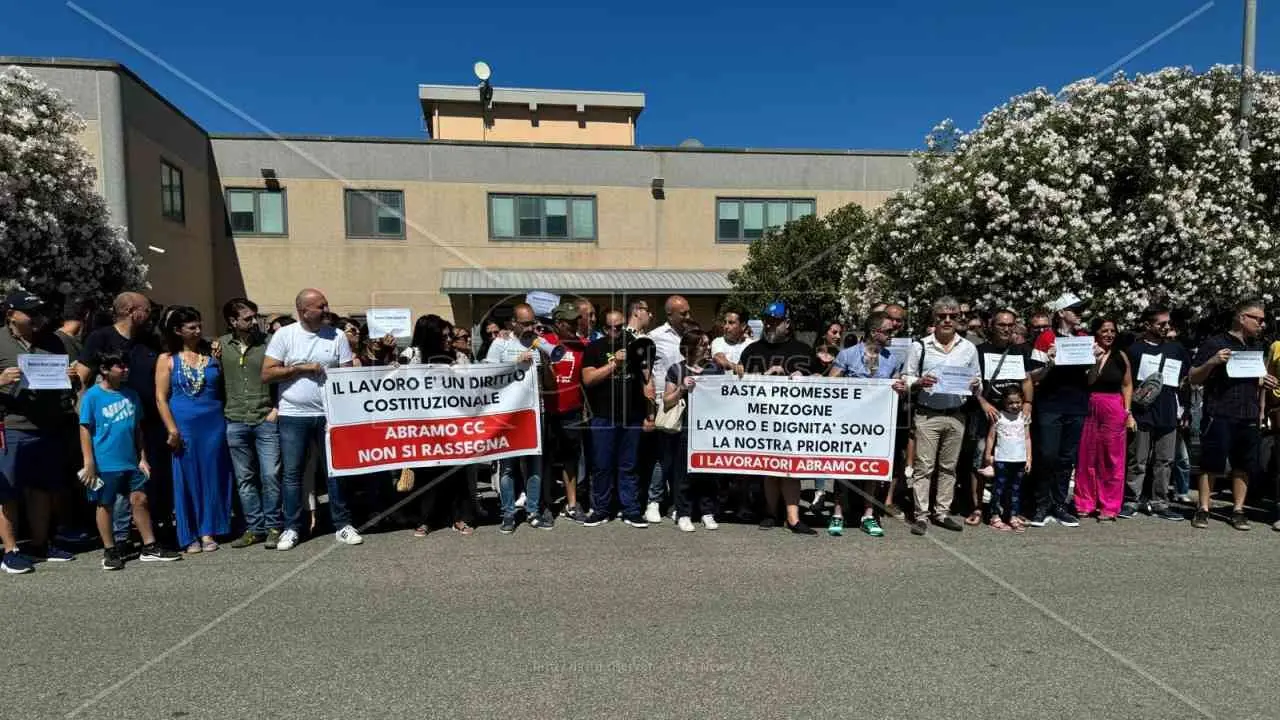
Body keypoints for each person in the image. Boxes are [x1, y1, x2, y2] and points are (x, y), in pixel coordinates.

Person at [262, 289, 362, 550]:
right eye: (320, 306)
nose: (326, 309)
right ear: (303, 311)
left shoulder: (337, 335)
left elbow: (347, 374)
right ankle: (292, 527)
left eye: (326, 304)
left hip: (330, 414)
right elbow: (267, 373)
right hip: (294, 414)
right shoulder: (285, 335)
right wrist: (300, 368)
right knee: (292, 473)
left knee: (335, 470)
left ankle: (342, 524)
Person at [76, 292, 169, 547]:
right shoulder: (101, 337)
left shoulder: (149, 340)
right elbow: (82, 378)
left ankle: (149, 533)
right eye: (147, 310)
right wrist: (89, 417)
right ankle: (119, 539)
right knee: (115, 486)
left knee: (143, 481)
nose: (150, 316)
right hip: (112, 425)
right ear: (130, 310)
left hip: (146, 420)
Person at [78, 350, 182, 569]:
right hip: (105, 461)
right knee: (105, 504)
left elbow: (137, 431)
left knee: (140, 499)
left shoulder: (131, 395)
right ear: (105, 370)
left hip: (130, 460)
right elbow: (85, 429)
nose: (125, 369)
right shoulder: (92, 396)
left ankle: (149, 545)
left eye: (126, 365)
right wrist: (89, 462)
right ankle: (109, 549)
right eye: (119, 366)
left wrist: (142, 457)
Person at [0, 291, 79, 573]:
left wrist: (71, 377)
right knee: (7, 490)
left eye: (39, 312)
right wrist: (0, 379)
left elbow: (71, 381)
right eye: (29, 313)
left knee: (42, 489)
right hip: (11, 426)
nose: (37, 318)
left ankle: (40, 543)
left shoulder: (53, 341)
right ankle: (10, 550)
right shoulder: (0, 341)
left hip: (48, 425)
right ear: (11, 314)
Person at [1188, 299, 1276, 530]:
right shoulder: (1215, 343)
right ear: (1242, 318)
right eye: (1257, 319)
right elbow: (1193, 377)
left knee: (1244, 464)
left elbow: (1253, 378)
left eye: (1263, 320)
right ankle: (1203, 508)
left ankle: (1238, 510)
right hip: (1219, 412)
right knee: (1211, 463)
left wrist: (1264, 381)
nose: (1262, 324)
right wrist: (1212, 362)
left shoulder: (1255, 347)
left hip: (1248, 413)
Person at [737, 301, 819, 535]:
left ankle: (793, 518)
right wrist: (764, 376)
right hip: (763, 420)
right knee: (770, 468)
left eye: (775, 321)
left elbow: (818, 380)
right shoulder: (752, 350)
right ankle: (771, 512)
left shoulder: (803, 350)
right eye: (767, 321)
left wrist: (802, 378)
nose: (770, 325)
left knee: (791, 469)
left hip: (795, 421)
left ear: (787, 323)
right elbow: (741, 384)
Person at [902, 297, 981, 535]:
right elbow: (905, 377)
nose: (947, 320)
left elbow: (978, 380)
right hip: (928, 414)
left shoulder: (968, 348)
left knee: (949, 467)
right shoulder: (920, 346)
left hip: (956, 415)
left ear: (959, 319)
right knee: (924, 467)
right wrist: (918, 382)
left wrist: (977, 384)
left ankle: (942, 512)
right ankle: (921, 515)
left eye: (953, 316)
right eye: (942, 316)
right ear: (934, 319)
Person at [155, 307, 232, 553]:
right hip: (183, 422)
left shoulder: (211, 355)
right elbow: (160, 397)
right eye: (192, 327)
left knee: (212, 474)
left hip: (213, 421)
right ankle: (189, 533)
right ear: (178, 331)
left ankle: (209, 530)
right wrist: (171, 429)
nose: (198, 331)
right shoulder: (167, 359)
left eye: (199, 326)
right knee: (186, 475)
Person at [828, 311, 905, 537]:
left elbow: (899, 387)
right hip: (849, 422)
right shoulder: (848, 355)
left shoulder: (893, 357)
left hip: (878, 424)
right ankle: (838, 512)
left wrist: (901, 389)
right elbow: (830, 384)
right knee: (843, 467)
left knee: (872, 469)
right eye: (888, 331)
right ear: (874, 332)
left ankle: (869, 515)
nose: (893, 334)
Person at [483, 304, 555, 532]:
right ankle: (508, 513)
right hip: (508, 413)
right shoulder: (501, 343)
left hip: (535, 412)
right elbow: (486, 376)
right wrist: (515, 364)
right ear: (513, 323)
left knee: (534, 463)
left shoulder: (538, 343)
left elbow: (550, 385)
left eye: (532, 322)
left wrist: (547, 362)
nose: (530, 327)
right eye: (525, 323)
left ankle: (532, 511)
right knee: (507, 466)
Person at [219, 298, 283, 548]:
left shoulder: (269, 344)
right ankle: (254, 527)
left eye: (255, 316)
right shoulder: (222, 345)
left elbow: (282, 377)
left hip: (265, 417)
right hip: (235, 418)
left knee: (270, 475)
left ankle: (274, 526)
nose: (254, 321)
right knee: (244, 478)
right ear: (232, 321)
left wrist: (276, 409)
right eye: (247, 318)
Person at [404, 314, 477, 535]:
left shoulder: (458, 357)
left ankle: (459, 517)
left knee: (456, 472)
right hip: (425, 426)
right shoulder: (412, 356)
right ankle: (425, 519)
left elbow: (471, 386)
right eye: (444, 337)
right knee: (427, 474)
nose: (449, 340)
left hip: (454, 425)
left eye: (450, 336)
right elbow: (399, 386)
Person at [581, 309, 654, 527]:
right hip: (603, 416)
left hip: (632, 415)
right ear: (604, 329)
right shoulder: (595, 348)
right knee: (602, 465)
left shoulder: (637, 345)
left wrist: (650, 413)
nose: (618, 331)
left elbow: (647, 379)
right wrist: (615, 364)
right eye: (612, 328)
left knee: (629, 465)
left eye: (621, 326)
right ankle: (601, 509)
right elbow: (588, 379)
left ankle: (630, 509)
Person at [1027, 294, 1090, 528]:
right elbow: (1033, 377)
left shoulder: (1084, 338)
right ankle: (1041, 503)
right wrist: (1049, 365)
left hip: (1076, 405)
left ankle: (1060, 503)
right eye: (1074, 309)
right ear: (1061, 312)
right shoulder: (1046, 338)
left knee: (1066, 458)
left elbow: (1090, 377)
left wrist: (1098, 360)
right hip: (1050, 405)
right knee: (1048, 455)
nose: (1079, 313)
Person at [1123, 307, 1189, 521]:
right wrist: (1129, 411)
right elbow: (1127, 383)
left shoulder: (1176, 349)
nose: (1166, 327)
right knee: (1138, 459)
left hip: (1168, 412)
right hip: (1141, 412)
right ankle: (1132, 500)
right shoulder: (1134, 350)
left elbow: (1186, 380)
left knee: (1165, 460)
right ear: (1147, 325)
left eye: (1168, 323)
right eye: (1161, 323)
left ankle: (1160, 502)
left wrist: (1184, 408)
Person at [973, 310, 1035, 526]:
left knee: (1013, 463)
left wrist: (1027, 403)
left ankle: (1010, 509)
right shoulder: (979, 351)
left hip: (1014, 415)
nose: (1006, 329)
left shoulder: (1020, 351)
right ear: (992, 325)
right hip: (988, 413)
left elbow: (1026, 380)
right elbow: (973, 381)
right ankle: (978, 507)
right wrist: (983, 402)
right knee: (982, 461)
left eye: (1010, 325)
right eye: (1002, 325)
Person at [662, 328, 725, 531]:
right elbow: (666, 401)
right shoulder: (676, 369)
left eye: (708, 343)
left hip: (708, 429)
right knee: (684, 472)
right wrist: (681, 388)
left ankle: (707, 511)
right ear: (689, 348)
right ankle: (684, 512)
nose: (707, 347)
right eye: (703, 344)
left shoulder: (715, 369)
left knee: (708, 472)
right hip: (685, 429)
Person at [1074, 317, 1133, 521]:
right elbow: (1089, 381)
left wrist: (1128, 412)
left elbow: (1127, 385)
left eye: (1112, 331)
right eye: (1104, 330)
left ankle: (1110, 505)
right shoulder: (1085, 353)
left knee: (1112, 458)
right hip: (1089, 406)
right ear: (1096, 333)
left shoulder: (1121, 356)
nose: (1109, 334)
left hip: (1113, 407)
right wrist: (1095, 361)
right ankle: (1085, 502)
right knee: (1086, 456)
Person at [643, 296, 691, 523]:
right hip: (667, 402)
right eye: (683, 314)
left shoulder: (692, 334)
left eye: (688, 312)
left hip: (690, 402)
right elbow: (648, 374)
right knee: (664, 457)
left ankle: (676, 502)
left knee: (682, 458)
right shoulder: (655, 337)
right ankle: (654, 501)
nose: (688, 317)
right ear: (669, 314)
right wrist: (650, 410)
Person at [549, 302, 588, 522]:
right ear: (559, 323)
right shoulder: (544, 342)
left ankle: (572, 504)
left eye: (577, 321)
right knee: (545, 458)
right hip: (547, 410)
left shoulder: (582, 344)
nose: (575, 325)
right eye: (570, 322)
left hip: (572, 410)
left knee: (570, 458)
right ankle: (545, 502)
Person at [983, 386, 1031, 532]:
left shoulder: (1024, 417)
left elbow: (1027, 438)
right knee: (999, 488)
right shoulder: (999, 417)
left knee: (1015, 489)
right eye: (1010, 403)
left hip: (1019, 459)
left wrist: (1029, 458)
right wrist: (987, 454)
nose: (1015, 406)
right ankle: (995, 516)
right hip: (1002, 458)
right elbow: (991, 437)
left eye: (1018, 402)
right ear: (1004, 402)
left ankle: (1013, 515)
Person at [711, 307, 754, 374]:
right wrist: (736, 368)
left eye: (731, 323)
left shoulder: (751, 345)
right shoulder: (718, 342)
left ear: (743, 326)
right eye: (725, 322)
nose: (726, 326)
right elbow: (719, 359)